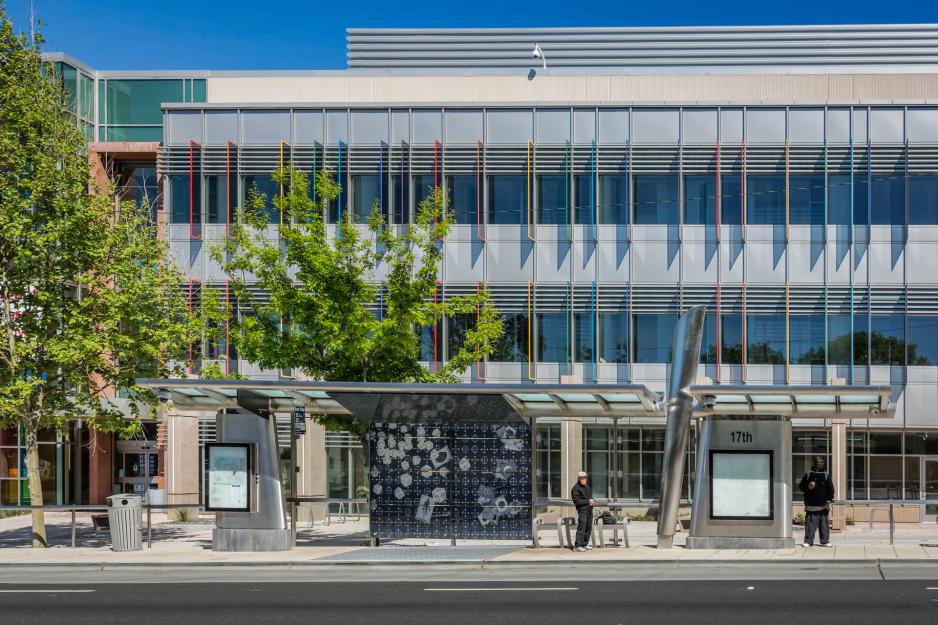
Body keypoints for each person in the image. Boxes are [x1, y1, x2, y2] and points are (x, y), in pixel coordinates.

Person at [799, 456, 835, 548]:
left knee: (824, 525)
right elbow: (801, 486)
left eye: (822, 462)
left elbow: (830, 489)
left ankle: (825, 541)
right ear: (815, 463)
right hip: (811, 504)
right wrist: (808, 486)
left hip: (823, 505)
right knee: (810, 524)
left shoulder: (825, 474)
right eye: (820, 462)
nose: (822, 463)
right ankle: (808, 541)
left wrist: (828, 501)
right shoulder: (808, 474)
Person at [570, 470, 594, 552]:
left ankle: (584, 544)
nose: (584, 479)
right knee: (582, 527)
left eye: (585, 478)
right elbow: (577, 501)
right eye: (582, 478)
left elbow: (590, 498)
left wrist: (592, 501)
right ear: (579, 479)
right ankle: (577, 545)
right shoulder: (575, 488)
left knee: (588, 527)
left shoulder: (588, 487)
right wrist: (588, 501)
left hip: (589, 510)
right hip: (582, 510)